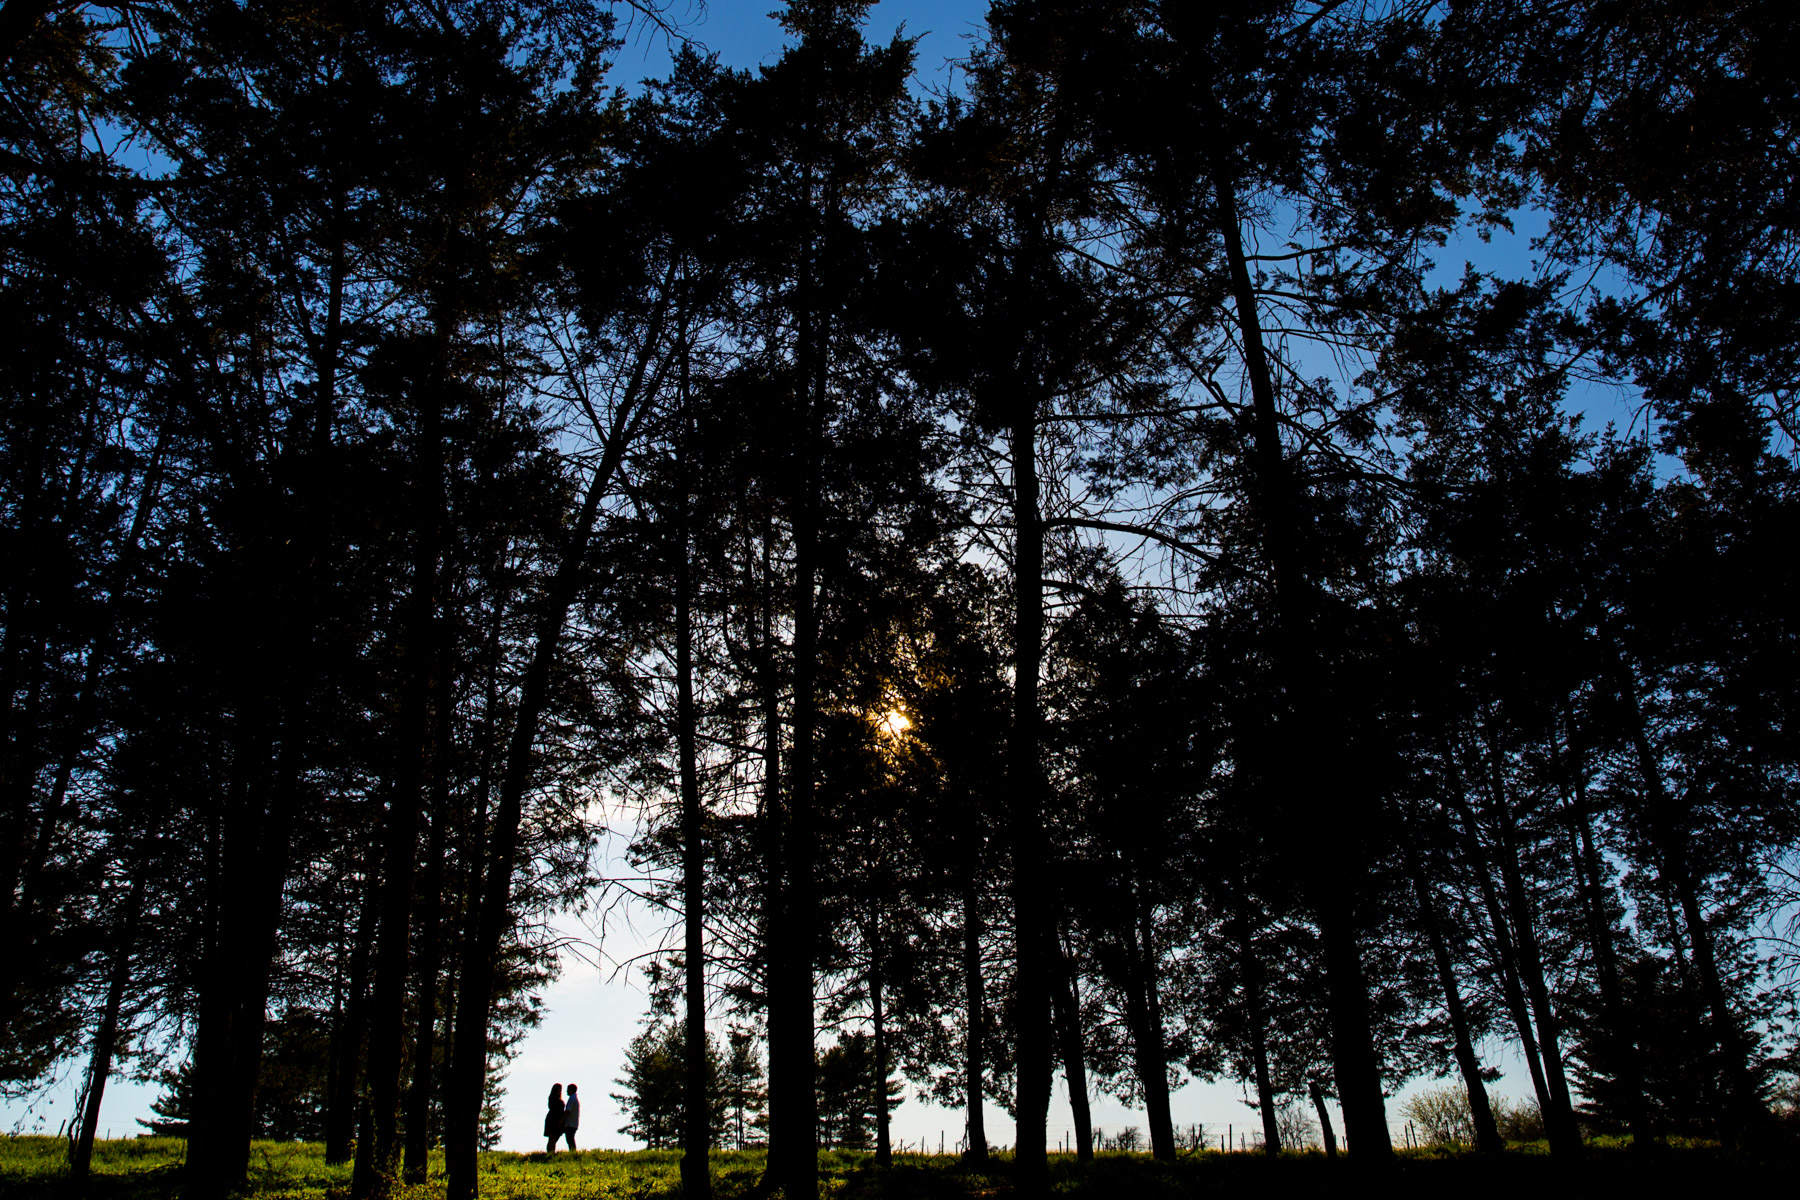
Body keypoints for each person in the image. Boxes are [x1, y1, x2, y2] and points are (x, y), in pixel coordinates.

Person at [543, 1083, 564, 1153]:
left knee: (552, 1139)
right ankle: (550, 1153)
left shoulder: (552, 1099)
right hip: (554, 1120)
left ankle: (550, 1152)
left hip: (551, 1119)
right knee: (553, 1138)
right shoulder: (557, 1100)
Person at [562, 1083, 580, 1151]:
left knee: (570, 1140)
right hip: (573, 1123)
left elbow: (568, 1111)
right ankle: (573, 1152)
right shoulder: (574, 1098)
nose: (567, 1091)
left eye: (568, 1089)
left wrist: (562, 1119)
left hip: (570, 1124)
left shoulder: (572, 1099)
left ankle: (573, 1152)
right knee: (570, 1139)